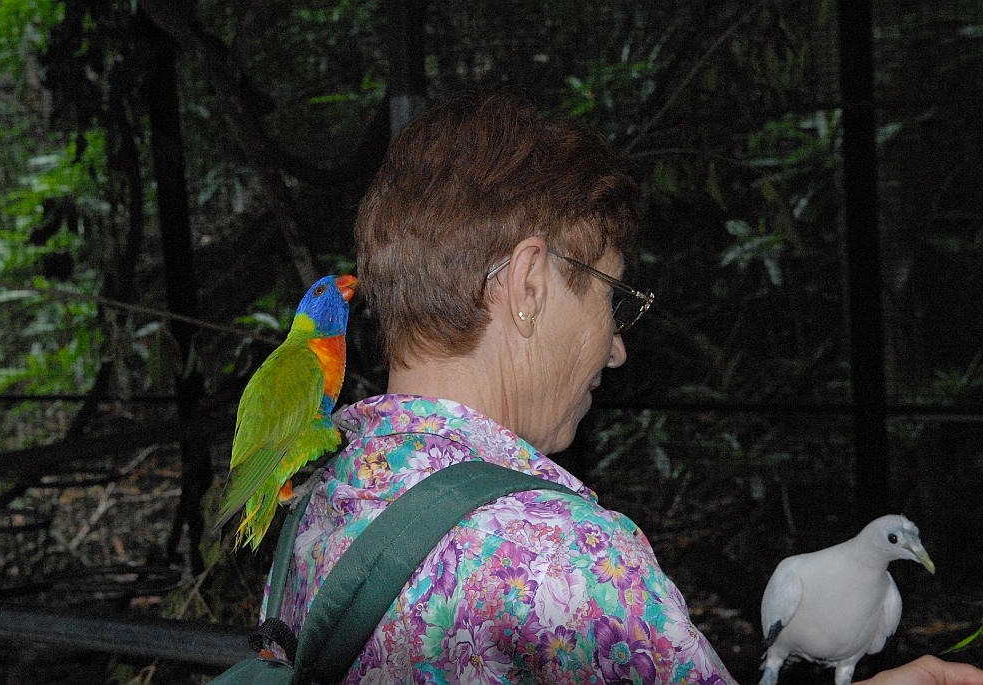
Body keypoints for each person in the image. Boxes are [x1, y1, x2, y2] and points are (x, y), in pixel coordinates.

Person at [262, 94, 983, 685]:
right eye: (613, 298)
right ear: (529, 286)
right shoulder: (564, 556)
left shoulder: (317, 484)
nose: (617, 345)